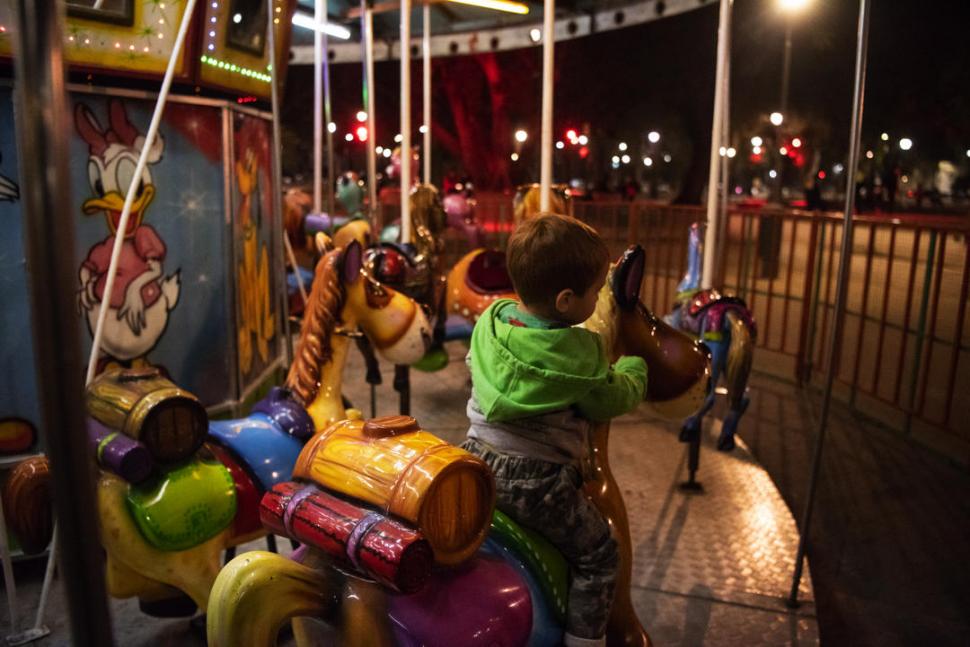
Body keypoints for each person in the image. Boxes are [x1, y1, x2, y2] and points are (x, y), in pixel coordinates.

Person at [461, 214, 648, 647]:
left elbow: (474, 367)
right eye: (597, 289)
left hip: (475, 458)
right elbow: (611, 397)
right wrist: (634, 368)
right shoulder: (578, 354)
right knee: (601, 555)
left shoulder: (492, 321)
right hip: (536, 481)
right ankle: (585, 641)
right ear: (566, 302)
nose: (602, 293)